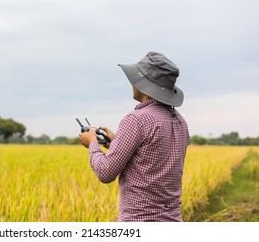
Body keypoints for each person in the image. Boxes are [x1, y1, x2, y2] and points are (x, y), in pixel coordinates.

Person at [79, 51, 189, 222]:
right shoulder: (180, 121)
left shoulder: (136, 119)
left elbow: (106, 173)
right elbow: (152, 159)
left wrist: (93, 143)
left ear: (144, 84)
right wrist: (117, 142)